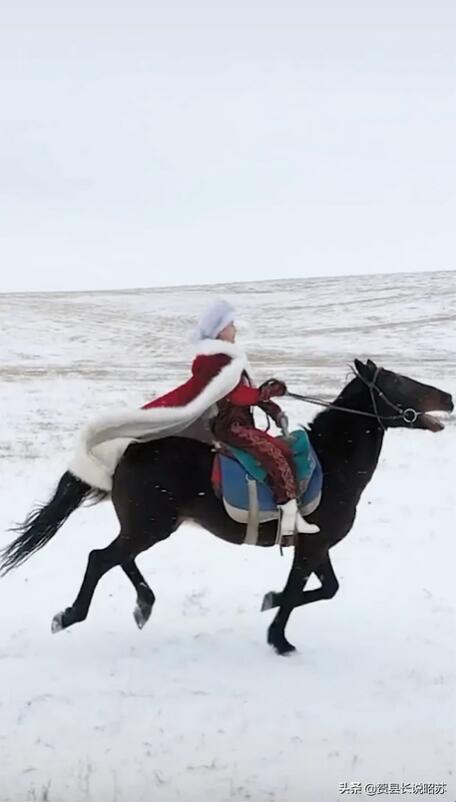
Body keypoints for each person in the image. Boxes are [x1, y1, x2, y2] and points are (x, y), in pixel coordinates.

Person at [143, 300, 319, 539]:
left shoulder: (230, 358)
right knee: (273, 454)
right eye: (231, 324)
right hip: (230, 428)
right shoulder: (214, 360)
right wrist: (264, 393)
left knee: (281, 450)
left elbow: (248, 391)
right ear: (219, 329)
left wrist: (272, 408)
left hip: (241, 424)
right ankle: (290, 518)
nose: (235, 329)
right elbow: (236, 394)